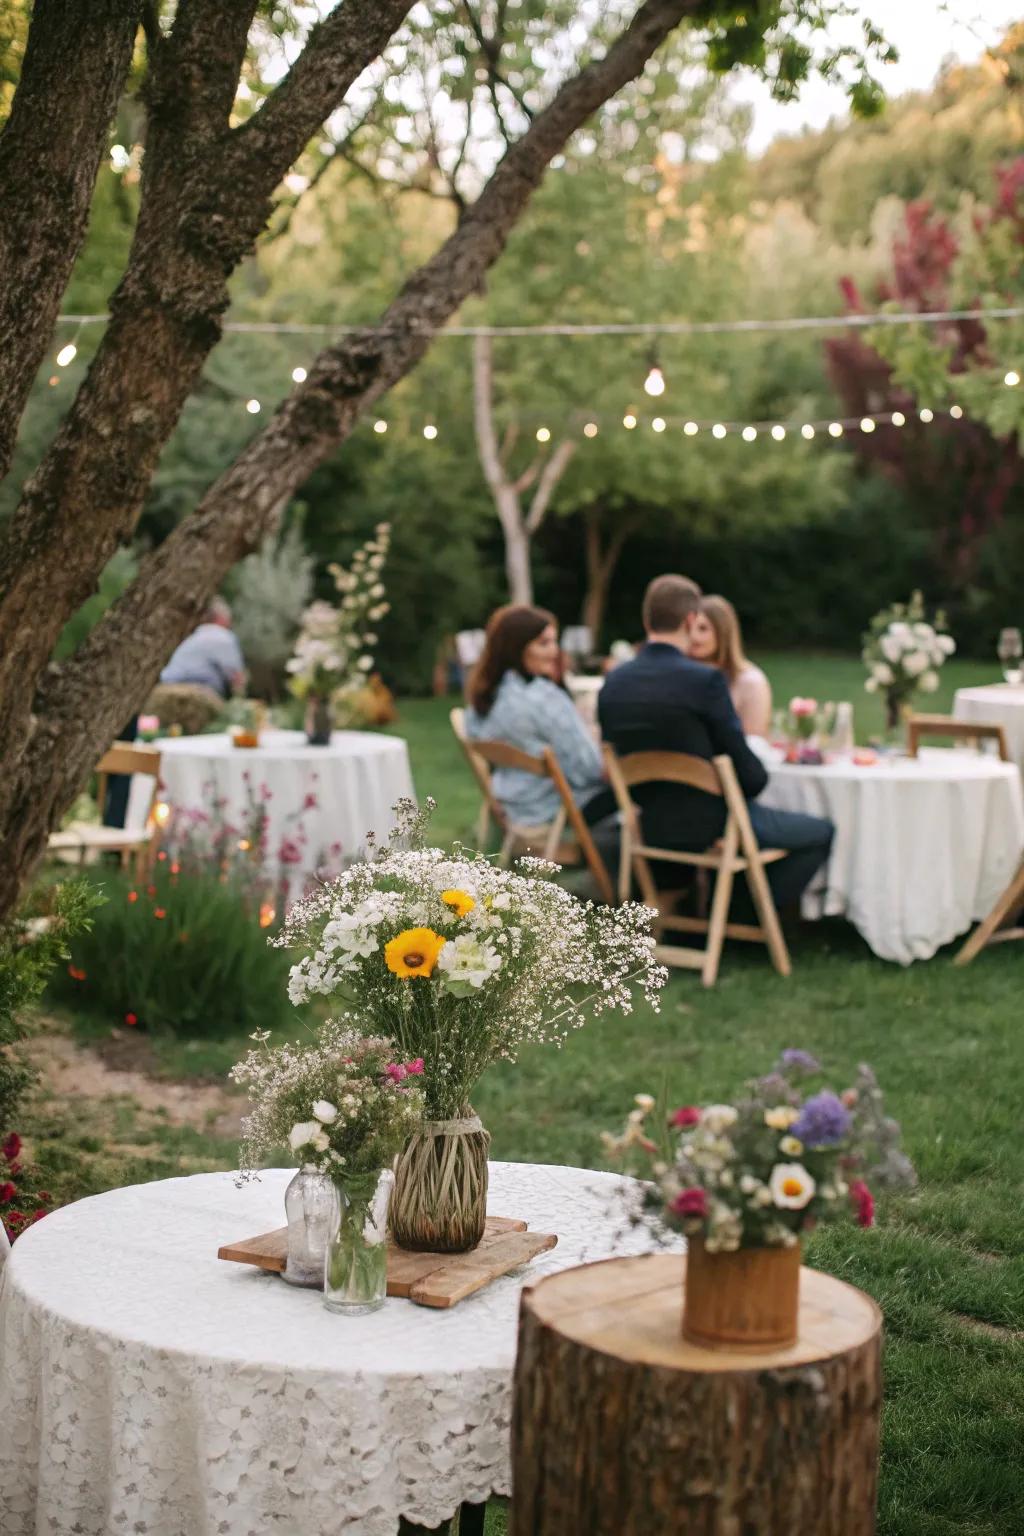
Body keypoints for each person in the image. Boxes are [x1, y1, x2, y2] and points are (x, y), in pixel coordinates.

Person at [598, 574, 833, 912]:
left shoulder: (615, 681)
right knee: (820, 831)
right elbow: (752, 777)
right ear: (690, 620)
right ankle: (745, 916)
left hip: (646, 824)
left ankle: (717, 914)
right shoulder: (704, 681)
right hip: (713, 825)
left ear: (647, 621)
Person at [465, 605, 614, 829]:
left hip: (515, 806)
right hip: (559, 810)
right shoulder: (544, 699)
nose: (554, 651)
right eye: (544, 643)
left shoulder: (484, 700)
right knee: (642, 785)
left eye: (555, 642)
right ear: (516, 648)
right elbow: (590, 769)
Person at [688, 594, 773, 737]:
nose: (693, 636)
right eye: (688, 628)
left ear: (723, 632)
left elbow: (755, 741)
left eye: (703, 629)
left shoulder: (750, 681)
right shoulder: (680, 675)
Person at [160, 597, 246, 700]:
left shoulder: (194, 636)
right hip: (198, 688)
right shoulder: (223, 636)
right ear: (222, 618)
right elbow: (236, 676)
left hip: (168, 685)